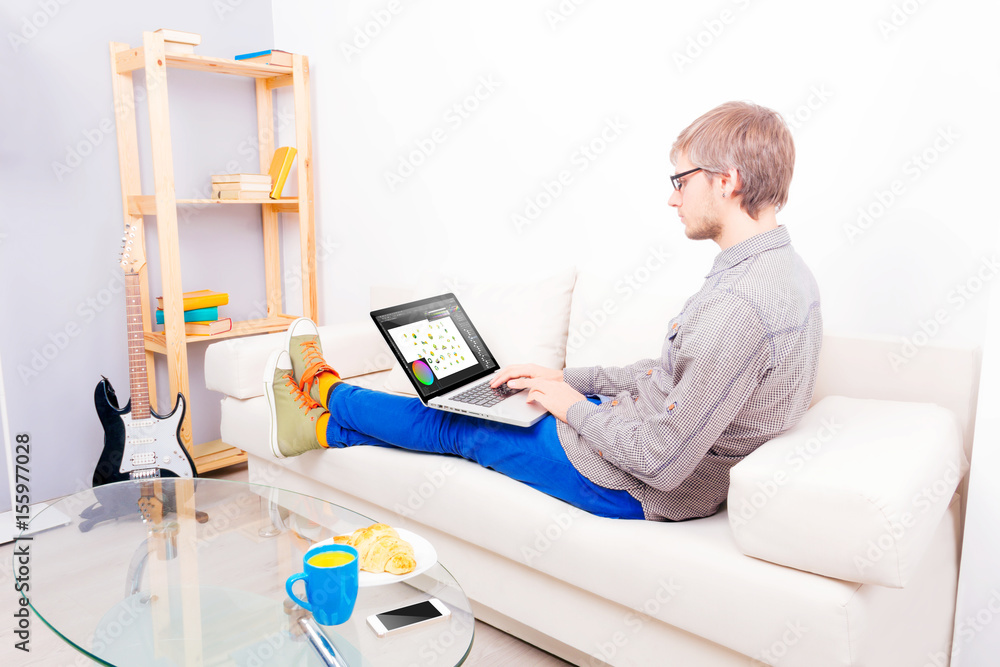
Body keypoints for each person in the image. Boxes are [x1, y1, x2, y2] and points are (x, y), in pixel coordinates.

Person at [264, 100, 822, 522]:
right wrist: (565, 379)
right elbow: (669, 374)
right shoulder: (779, 270)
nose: (672, 197)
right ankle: (318, 427)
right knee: (495, 401)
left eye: (681, 180)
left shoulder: (741, 306)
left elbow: (662, 462)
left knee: (460, 423)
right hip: (633, 433)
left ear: (727, 182)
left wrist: (571, 406)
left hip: (631, 483)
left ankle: (324, 390)